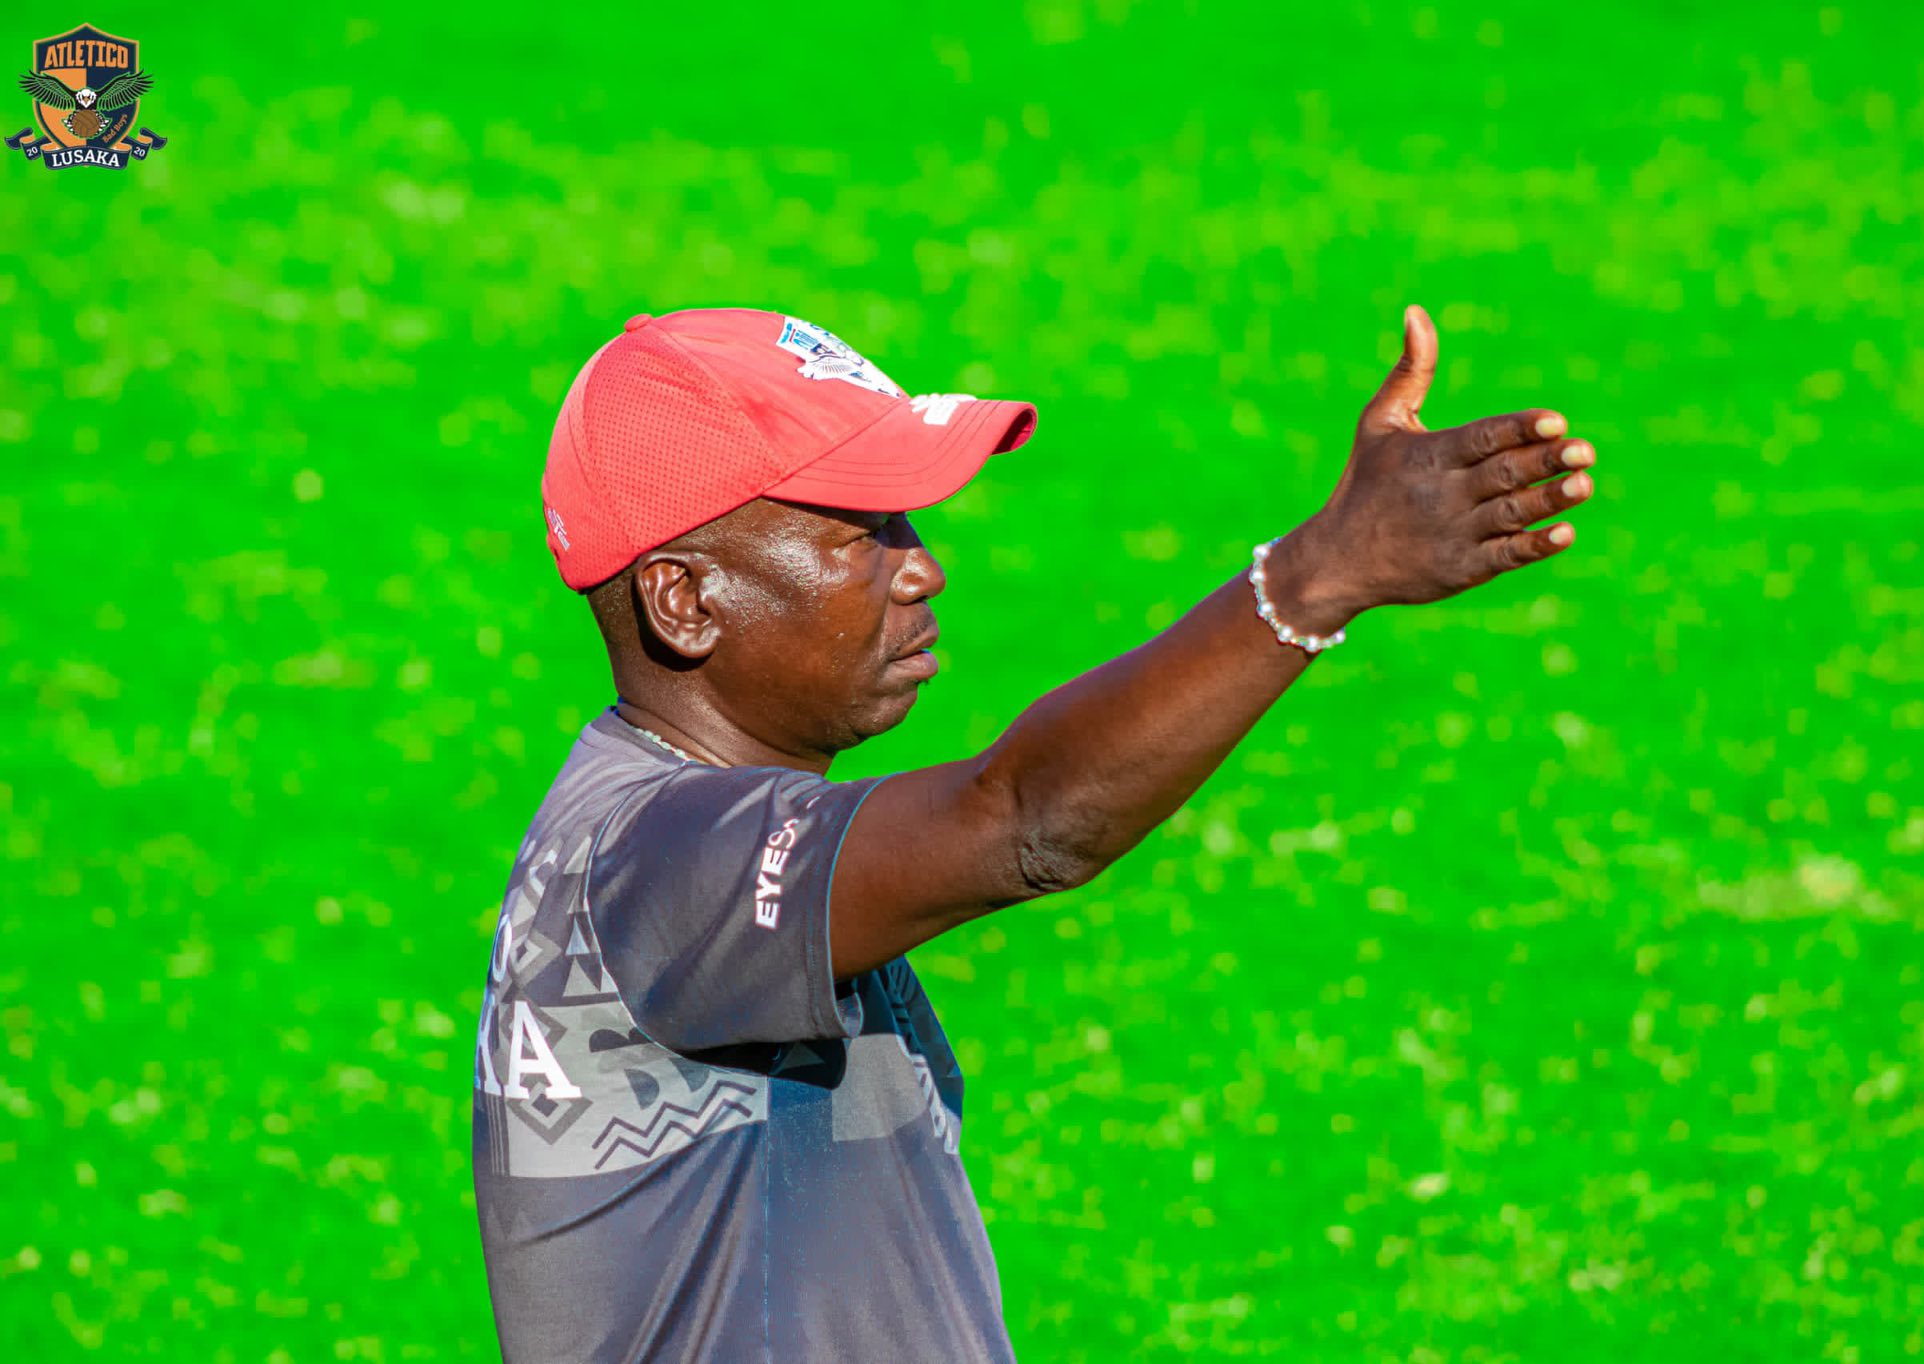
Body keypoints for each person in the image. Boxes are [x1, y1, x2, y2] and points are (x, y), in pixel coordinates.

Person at [471, 305, 1595, 1363]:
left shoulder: (673, 835)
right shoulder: (649, 861)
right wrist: (1317, 577)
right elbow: (1023, 820)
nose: (921, 565)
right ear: (685, 601)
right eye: (860, 533)